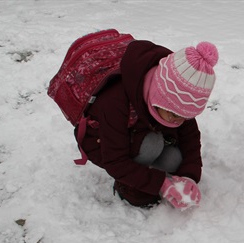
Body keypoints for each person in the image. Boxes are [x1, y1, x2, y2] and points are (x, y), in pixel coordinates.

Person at [79, 40, 218, 208]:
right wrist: (161, 183)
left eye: (185, 116)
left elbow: (191, 138)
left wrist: (189, 176)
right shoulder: (115, 101)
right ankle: (126, 182)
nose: (178, 120)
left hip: (142, 129)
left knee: (173, 160)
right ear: (160, 97)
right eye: (174, 114)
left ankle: (142, 170)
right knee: (151, 146)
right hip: (101, 142)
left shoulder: (178, 104)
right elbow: (115, 161)